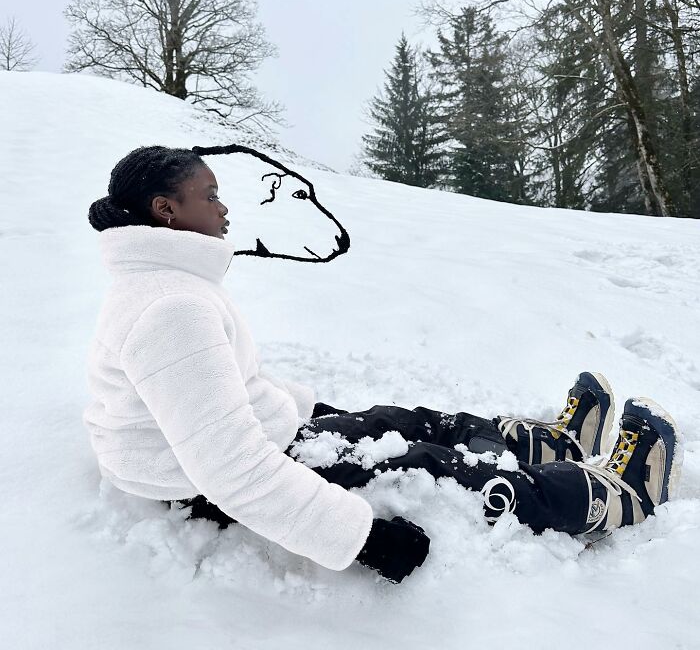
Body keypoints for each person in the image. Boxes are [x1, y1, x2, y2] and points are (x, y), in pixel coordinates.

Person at [83, 145, 683, 584]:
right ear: (165, 209)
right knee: (432, 468)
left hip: (260, 443)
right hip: (217, 485)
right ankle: (610, 498)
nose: (224, 209)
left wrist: (309, 409)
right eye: (210, 195)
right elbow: (228, 469)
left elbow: (226, 394)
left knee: (404, 419)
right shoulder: (170, 309)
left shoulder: (164, 285)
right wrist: (363, 539)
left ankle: (550, 446)